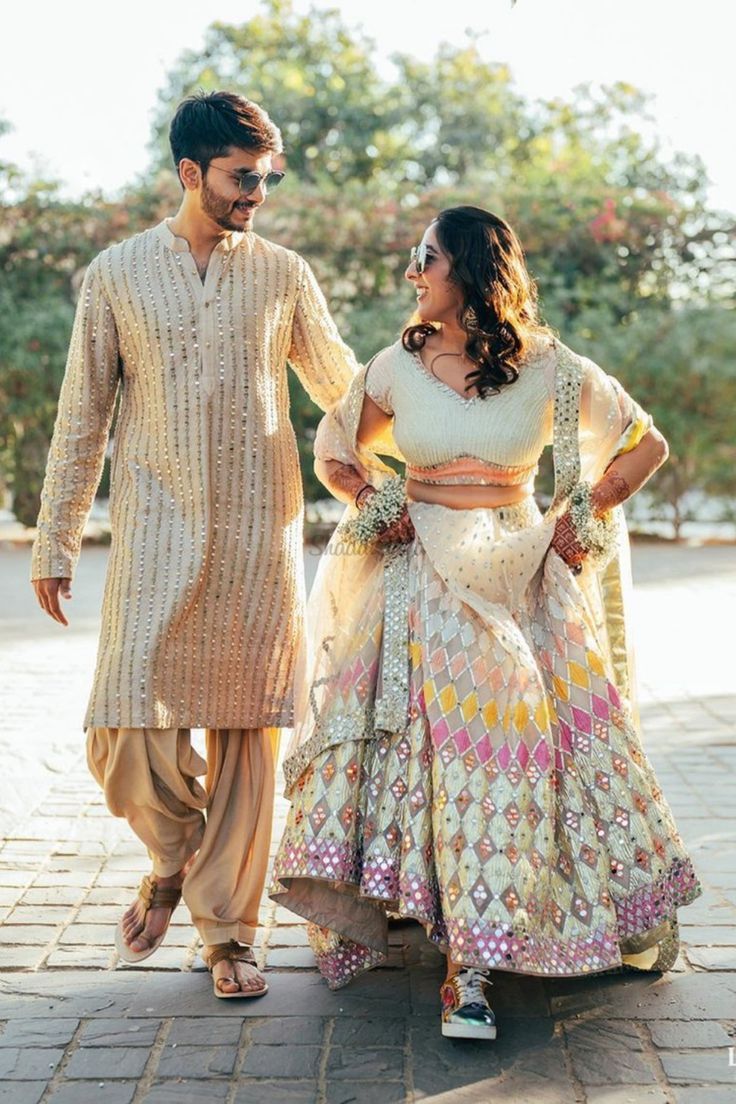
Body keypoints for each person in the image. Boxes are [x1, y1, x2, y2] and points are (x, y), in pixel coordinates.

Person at [270, 206, 702, 1038]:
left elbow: (645, 445)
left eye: (422, 258)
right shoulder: (398, 363)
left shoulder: (550, 365)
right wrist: (375, 500)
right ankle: (460, 960)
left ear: (465, 268)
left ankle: (485, 951)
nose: (411, 273)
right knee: (443, 756)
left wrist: (587, 508)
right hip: (421, 575)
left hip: (519, 575)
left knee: (512, 753)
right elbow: (332, 448)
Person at [31, 91, 358, 999]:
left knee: (249, 735)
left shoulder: (284, 273)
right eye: (242, 177)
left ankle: (230, 935)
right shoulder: (117, 275)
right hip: (155, 528)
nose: (259, 192)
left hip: (260, 529)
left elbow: (342, 386)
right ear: (189, 173)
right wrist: (55, 539)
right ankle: (174, 863)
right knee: (123, 727)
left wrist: (450, 412)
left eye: (268, 176)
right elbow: (82, 414)